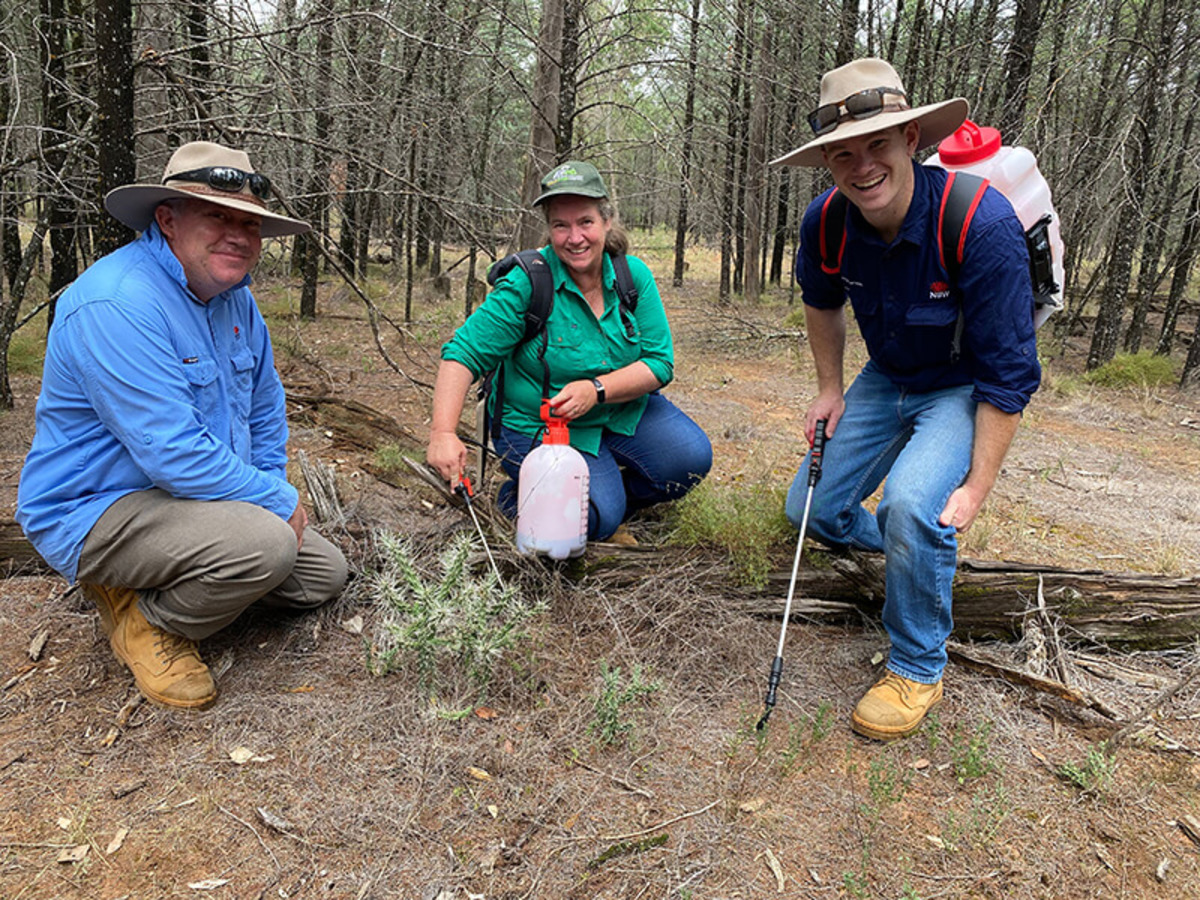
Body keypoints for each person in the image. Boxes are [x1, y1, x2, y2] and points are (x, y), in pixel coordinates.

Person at [16, 141, 348, 710]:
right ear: (167, 219)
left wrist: (270, 487)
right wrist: (275, 501)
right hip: (99, 507)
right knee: (267, 548)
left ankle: (173, 577)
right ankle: (147, 622)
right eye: (218, 216)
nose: (239, 235)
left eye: (250, 223)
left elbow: (266, 410)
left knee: (323, 574)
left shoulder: (235, 301)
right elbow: (171, 453)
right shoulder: (117, 304)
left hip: (191, 502)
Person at [773, 59, 1040, 740]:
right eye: (843, 154)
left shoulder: (981, 225)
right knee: (809, 509)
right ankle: (913, 555)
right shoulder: (827, 222)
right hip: (884, 379)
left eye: (877, 146)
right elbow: (821, 302)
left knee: (911, 503)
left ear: (913, 138)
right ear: (827, 162)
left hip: (960, 387)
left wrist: (976, 486)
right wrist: (830, 388)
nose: (862, 166)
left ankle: (917, 665)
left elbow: (1010, 376)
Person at [427, 160, 712, 541]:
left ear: (607, 221)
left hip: (617, 411)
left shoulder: (632, 277)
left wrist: (595, 390)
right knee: (594, 520)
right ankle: (524, 500)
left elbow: (659, 364)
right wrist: (443, 432)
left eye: (586, 222)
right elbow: (462, 353)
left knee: (689, 459)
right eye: (561, 225)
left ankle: (598, 490)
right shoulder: (529, 284)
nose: (574, 237)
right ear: (550, 230)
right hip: (542, 425)